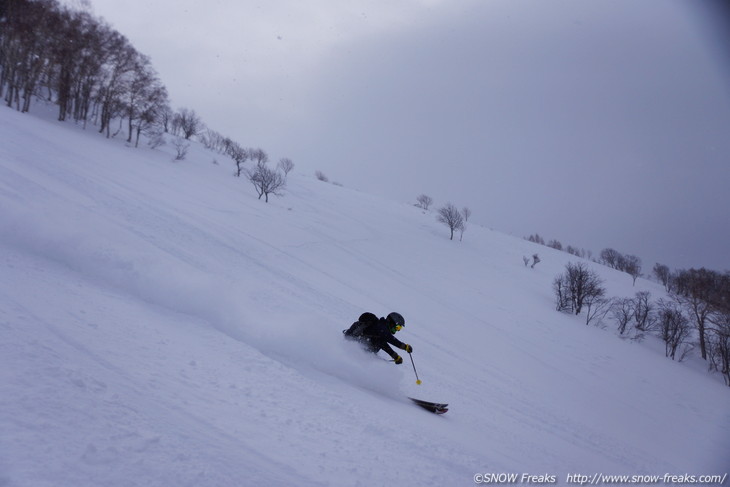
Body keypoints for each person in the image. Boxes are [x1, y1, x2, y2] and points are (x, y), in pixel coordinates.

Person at [343, 311, 413, 364]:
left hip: (361, 350)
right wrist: (404, 347)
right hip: (354, 345)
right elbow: (390, 339)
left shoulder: (381, 330)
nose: (397, 330)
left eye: (399, 328)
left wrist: (395, 356)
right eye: (397, 327)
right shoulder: (381, 327)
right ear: (391, 323)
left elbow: (382, 344)